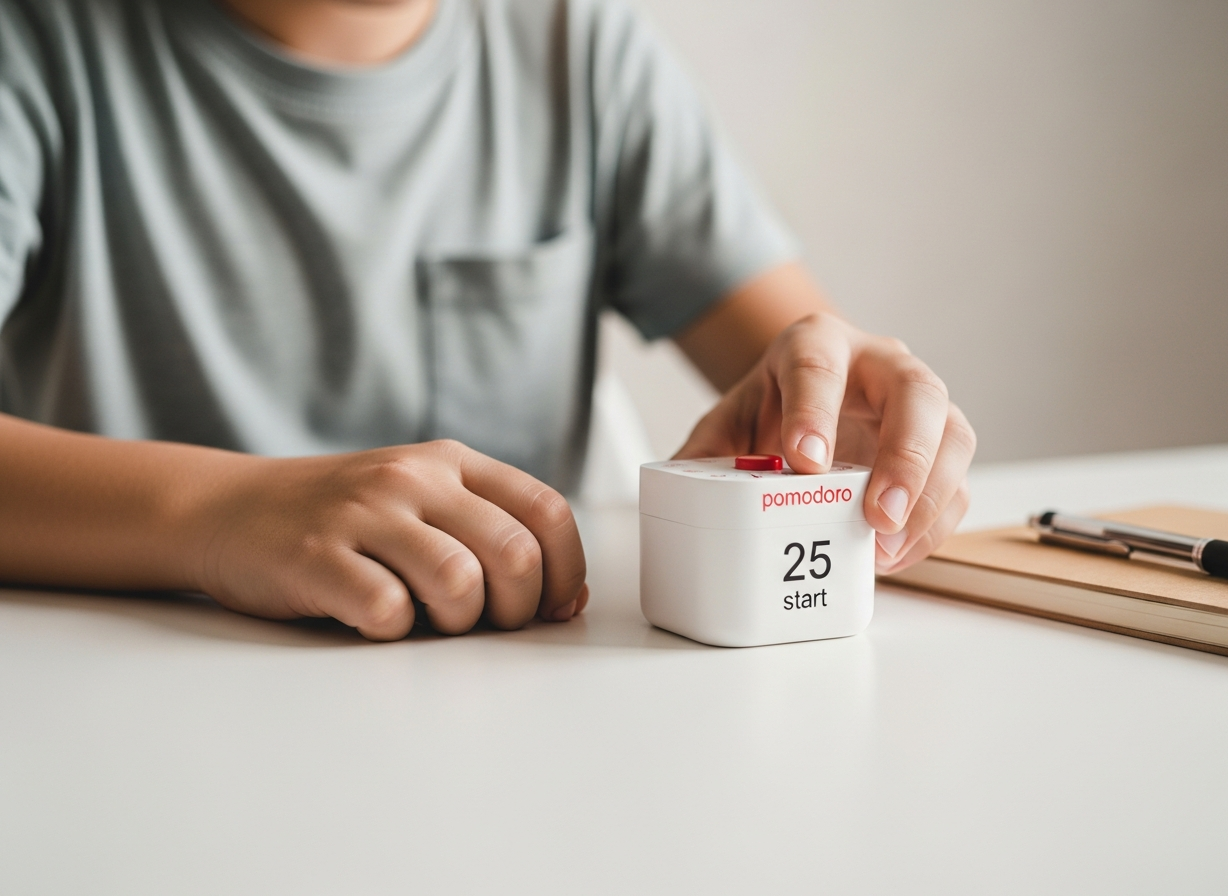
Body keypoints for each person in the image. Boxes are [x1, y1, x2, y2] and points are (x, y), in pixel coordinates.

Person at [0, 0, 976, 640]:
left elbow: (802, 360)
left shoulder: (576, 48)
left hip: (507, 724)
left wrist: (847, 408)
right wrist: (220, 515)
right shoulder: (35, 44)